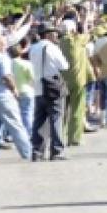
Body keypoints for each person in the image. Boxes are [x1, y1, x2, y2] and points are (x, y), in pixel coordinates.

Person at [29, 24, 70, 161]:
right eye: (54, 33)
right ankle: (57, 151)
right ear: (47, 35)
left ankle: (37, 151)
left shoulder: (32, 48)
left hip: (37, 87)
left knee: (39, 121)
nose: (57, 36)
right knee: (56, 118)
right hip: (52, 87)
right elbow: (64, 65)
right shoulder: (52, 48)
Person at [59, 18, 90, 146]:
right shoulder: (77, 41)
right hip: (78, 81)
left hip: (62, 80)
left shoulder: (58, 43)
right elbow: (87, 34)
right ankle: (74, 138)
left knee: (62, 111)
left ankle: (60, 136)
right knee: (77, 109)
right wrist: (85, 20)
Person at [10, 43, 35, 137]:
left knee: (15, 115)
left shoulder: (8, 64)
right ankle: (29, 133)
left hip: (13, 92)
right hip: (26, 90)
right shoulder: (27, 64)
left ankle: (14, 134)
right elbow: (32, 79)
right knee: (27, 114)